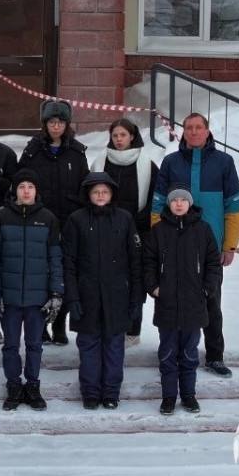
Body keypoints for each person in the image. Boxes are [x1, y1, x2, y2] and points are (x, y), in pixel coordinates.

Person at [151, 113, 239, 378]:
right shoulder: (170, 163)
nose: (193, 132)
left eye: (198, 127)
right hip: (174, 247)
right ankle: (173, 351)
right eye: (189, 128)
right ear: (183, 132)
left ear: (207, 131)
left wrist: (230, 245)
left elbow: (234, 206)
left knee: (211, 301)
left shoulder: (224, 163)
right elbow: (158, 204)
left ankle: (215, 355)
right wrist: (158, 241)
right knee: (171, 300)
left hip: (210, 248)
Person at [63, 172, 143, 410]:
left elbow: (135, 261)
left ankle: (110, 392)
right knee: (88, 346)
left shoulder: (124, 219)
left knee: (114, 347)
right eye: (96, 192)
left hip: (117, 296)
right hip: (86, 296)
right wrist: (72, 297)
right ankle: (89, 392)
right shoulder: (76, 220)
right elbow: (69, 262)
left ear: (112, 194)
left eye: (105, 192)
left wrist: (136, 297)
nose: (100, 196)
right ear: (88, 194)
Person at [0, 170, 63, 411]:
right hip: (9, 298)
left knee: (34, 345)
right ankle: (13, 385)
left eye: (31, 186)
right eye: (22, 186)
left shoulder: (48, 218)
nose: (26, 190)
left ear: (36, 191)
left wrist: (55, 292)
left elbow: (55, 258)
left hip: (37, 297)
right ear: (15, 190)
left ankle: (32, 386)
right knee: (10, 345)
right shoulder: (1, 217)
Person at [144, 186, 221, 415]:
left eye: (183, 200)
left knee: (189, 354)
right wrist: (154, 288)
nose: (178, 204)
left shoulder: (203, 230)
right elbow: (148, 262)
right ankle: (168, 397)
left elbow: (213, 264)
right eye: (174, 200)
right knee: (167, 354)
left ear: (189, 204)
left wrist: (206, 289)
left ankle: (188, 396)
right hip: (166, 304)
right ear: (169, 204)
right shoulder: (158, 231)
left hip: (193, 305)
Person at [18, 99, 88, 345]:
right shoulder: (32, 151)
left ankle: (60, 323)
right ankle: (42, 324)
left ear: (67, 124)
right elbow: (22, 181)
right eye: (51, 122)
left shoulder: (77, 153)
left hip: (70, 222)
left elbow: (84, 186)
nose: (55, 126)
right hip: (40, 222)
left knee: (66, 273)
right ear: (45, 124)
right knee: (41, 273)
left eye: (60, 122)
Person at [90, 118, 159, 347]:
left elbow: (153, 199)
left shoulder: (147, 164)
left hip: (137, 232)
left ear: (132, 137)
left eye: (123, 135)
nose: (119, 140)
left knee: (134, 281)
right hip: (103, 231)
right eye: (115, 135)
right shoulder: (100, 162)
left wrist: (140, 223)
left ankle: (132, 329)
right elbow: (90, 194)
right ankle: (107, 324)